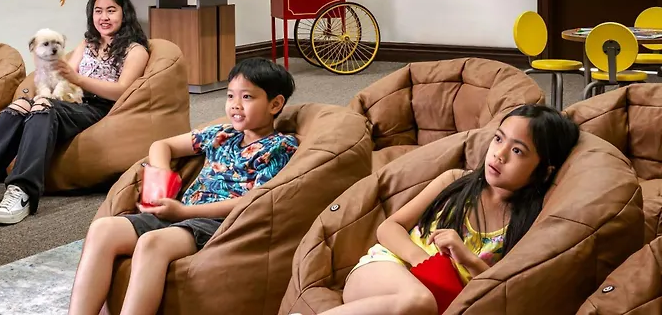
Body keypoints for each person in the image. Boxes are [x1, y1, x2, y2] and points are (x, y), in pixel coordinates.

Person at [68, 57, 298, 315]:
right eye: (230, 95)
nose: (235, 105)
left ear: (275, 104)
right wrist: (163, 175)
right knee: (102, 229)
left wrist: (184, 212)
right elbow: (161, 145)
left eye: (247, 97)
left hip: (217, 223)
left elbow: (254, 201)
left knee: (152, 243)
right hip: (179, 211)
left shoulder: (279, 147)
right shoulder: (221, 134)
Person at [307, 104, 580, 315]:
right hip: (383, 271)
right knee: (420, 300)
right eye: (498, 139)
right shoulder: (454, 182)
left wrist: (466, 258)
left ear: (545, 171)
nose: (500, 154)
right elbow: (389, 227)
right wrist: (424, 262)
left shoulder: (527, 224)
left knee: (421, 304)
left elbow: (503, 291)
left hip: (438, 302)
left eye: (518, 151)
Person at [0, 0, 149, 225]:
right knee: (20, 106)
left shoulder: (135, 50)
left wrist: (78, 80)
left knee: (43, 107)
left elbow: (123, 90)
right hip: (72, 99)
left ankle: (23, 191)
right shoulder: (88, 43)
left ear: (125, 13)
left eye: (111, 11)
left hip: (101, 107)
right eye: (98, 11)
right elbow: (64, 74)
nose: (104, 17)